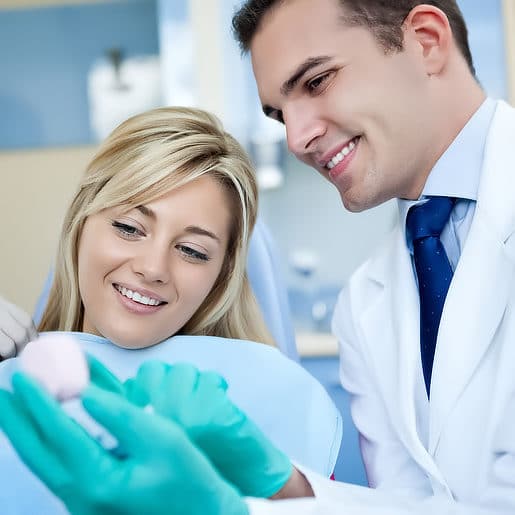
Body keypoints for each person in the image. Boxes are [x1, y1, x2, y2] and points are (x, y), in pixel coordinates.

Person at [0, 0, 513, 513]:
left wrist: (232, 508)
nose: (296, 137)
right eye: (278, 114)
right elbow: (411, 505)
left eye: (317, 81)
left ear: (425, 39)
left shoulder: (283, 386)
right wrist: (282, 485)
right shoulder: (365, 306)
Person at [0, 105, 343, 513]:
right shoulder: (14, 379)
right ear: (80, 223)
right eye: (128, 228)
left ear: (222, 274)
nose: (152, 268)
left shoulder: (279, 408)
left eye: (192, 251)